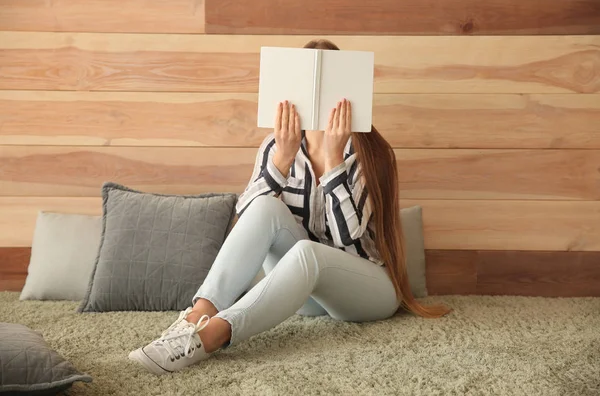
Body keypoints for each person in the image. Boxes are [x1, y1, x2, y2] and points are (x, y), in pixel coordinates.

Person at [129, 39, 451, 375]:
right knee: (267, 208)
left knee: (310, 253)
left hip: (368, 292)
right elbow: (249, 222)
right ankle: (194, 320)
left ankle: (210, 337)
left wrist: (332, 163)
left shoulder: (371, 153)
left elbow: (350, 246)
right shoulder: (275, 146)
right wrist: (281, 161)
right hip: (305, 297)